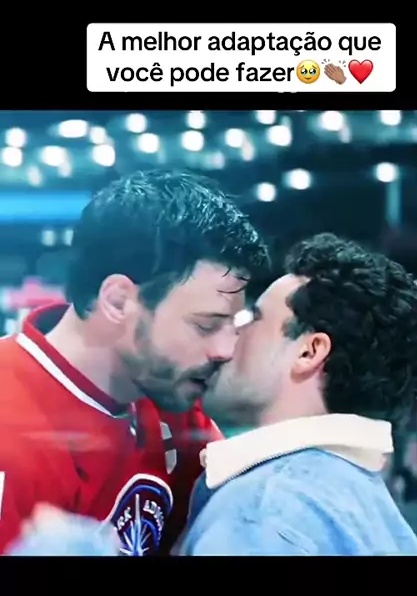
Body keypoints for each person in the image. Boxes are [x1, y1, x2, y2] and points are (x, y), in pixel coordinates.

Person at [0, 169, 269, 555]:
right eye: (206, 325)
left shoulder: (168, 392)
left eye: (232, 325)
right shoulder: (9, 434)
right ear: (118, 301)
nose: (225, 349)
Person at [179, 233, 417, 555]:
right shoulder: (379, 515)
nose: (232, 335)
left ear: (309, 352)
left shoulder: (263, 514)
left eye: (254, 319)